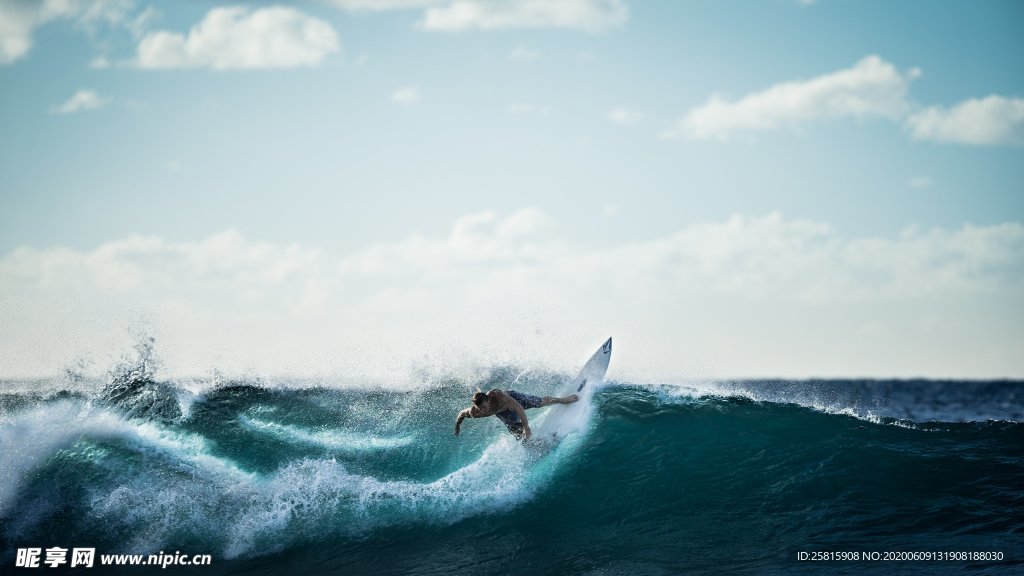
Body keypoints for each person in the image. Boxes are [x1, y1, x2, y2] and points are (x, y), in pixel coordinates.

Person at [454, 388, 579, 440]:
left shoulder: (498, 395)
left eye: (484, 407)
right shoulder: (475, 412)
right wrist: (457, 426)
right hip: (503, 414)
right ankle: (536, 444)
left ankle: (562, 400)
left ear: (488, 399)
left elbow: (519, 408)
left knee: (538, 402)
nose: (483, 411)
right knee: (519, 436)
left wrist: (527, 426)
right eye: (480, 409)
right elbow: (462, 414)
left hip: (514, 400)